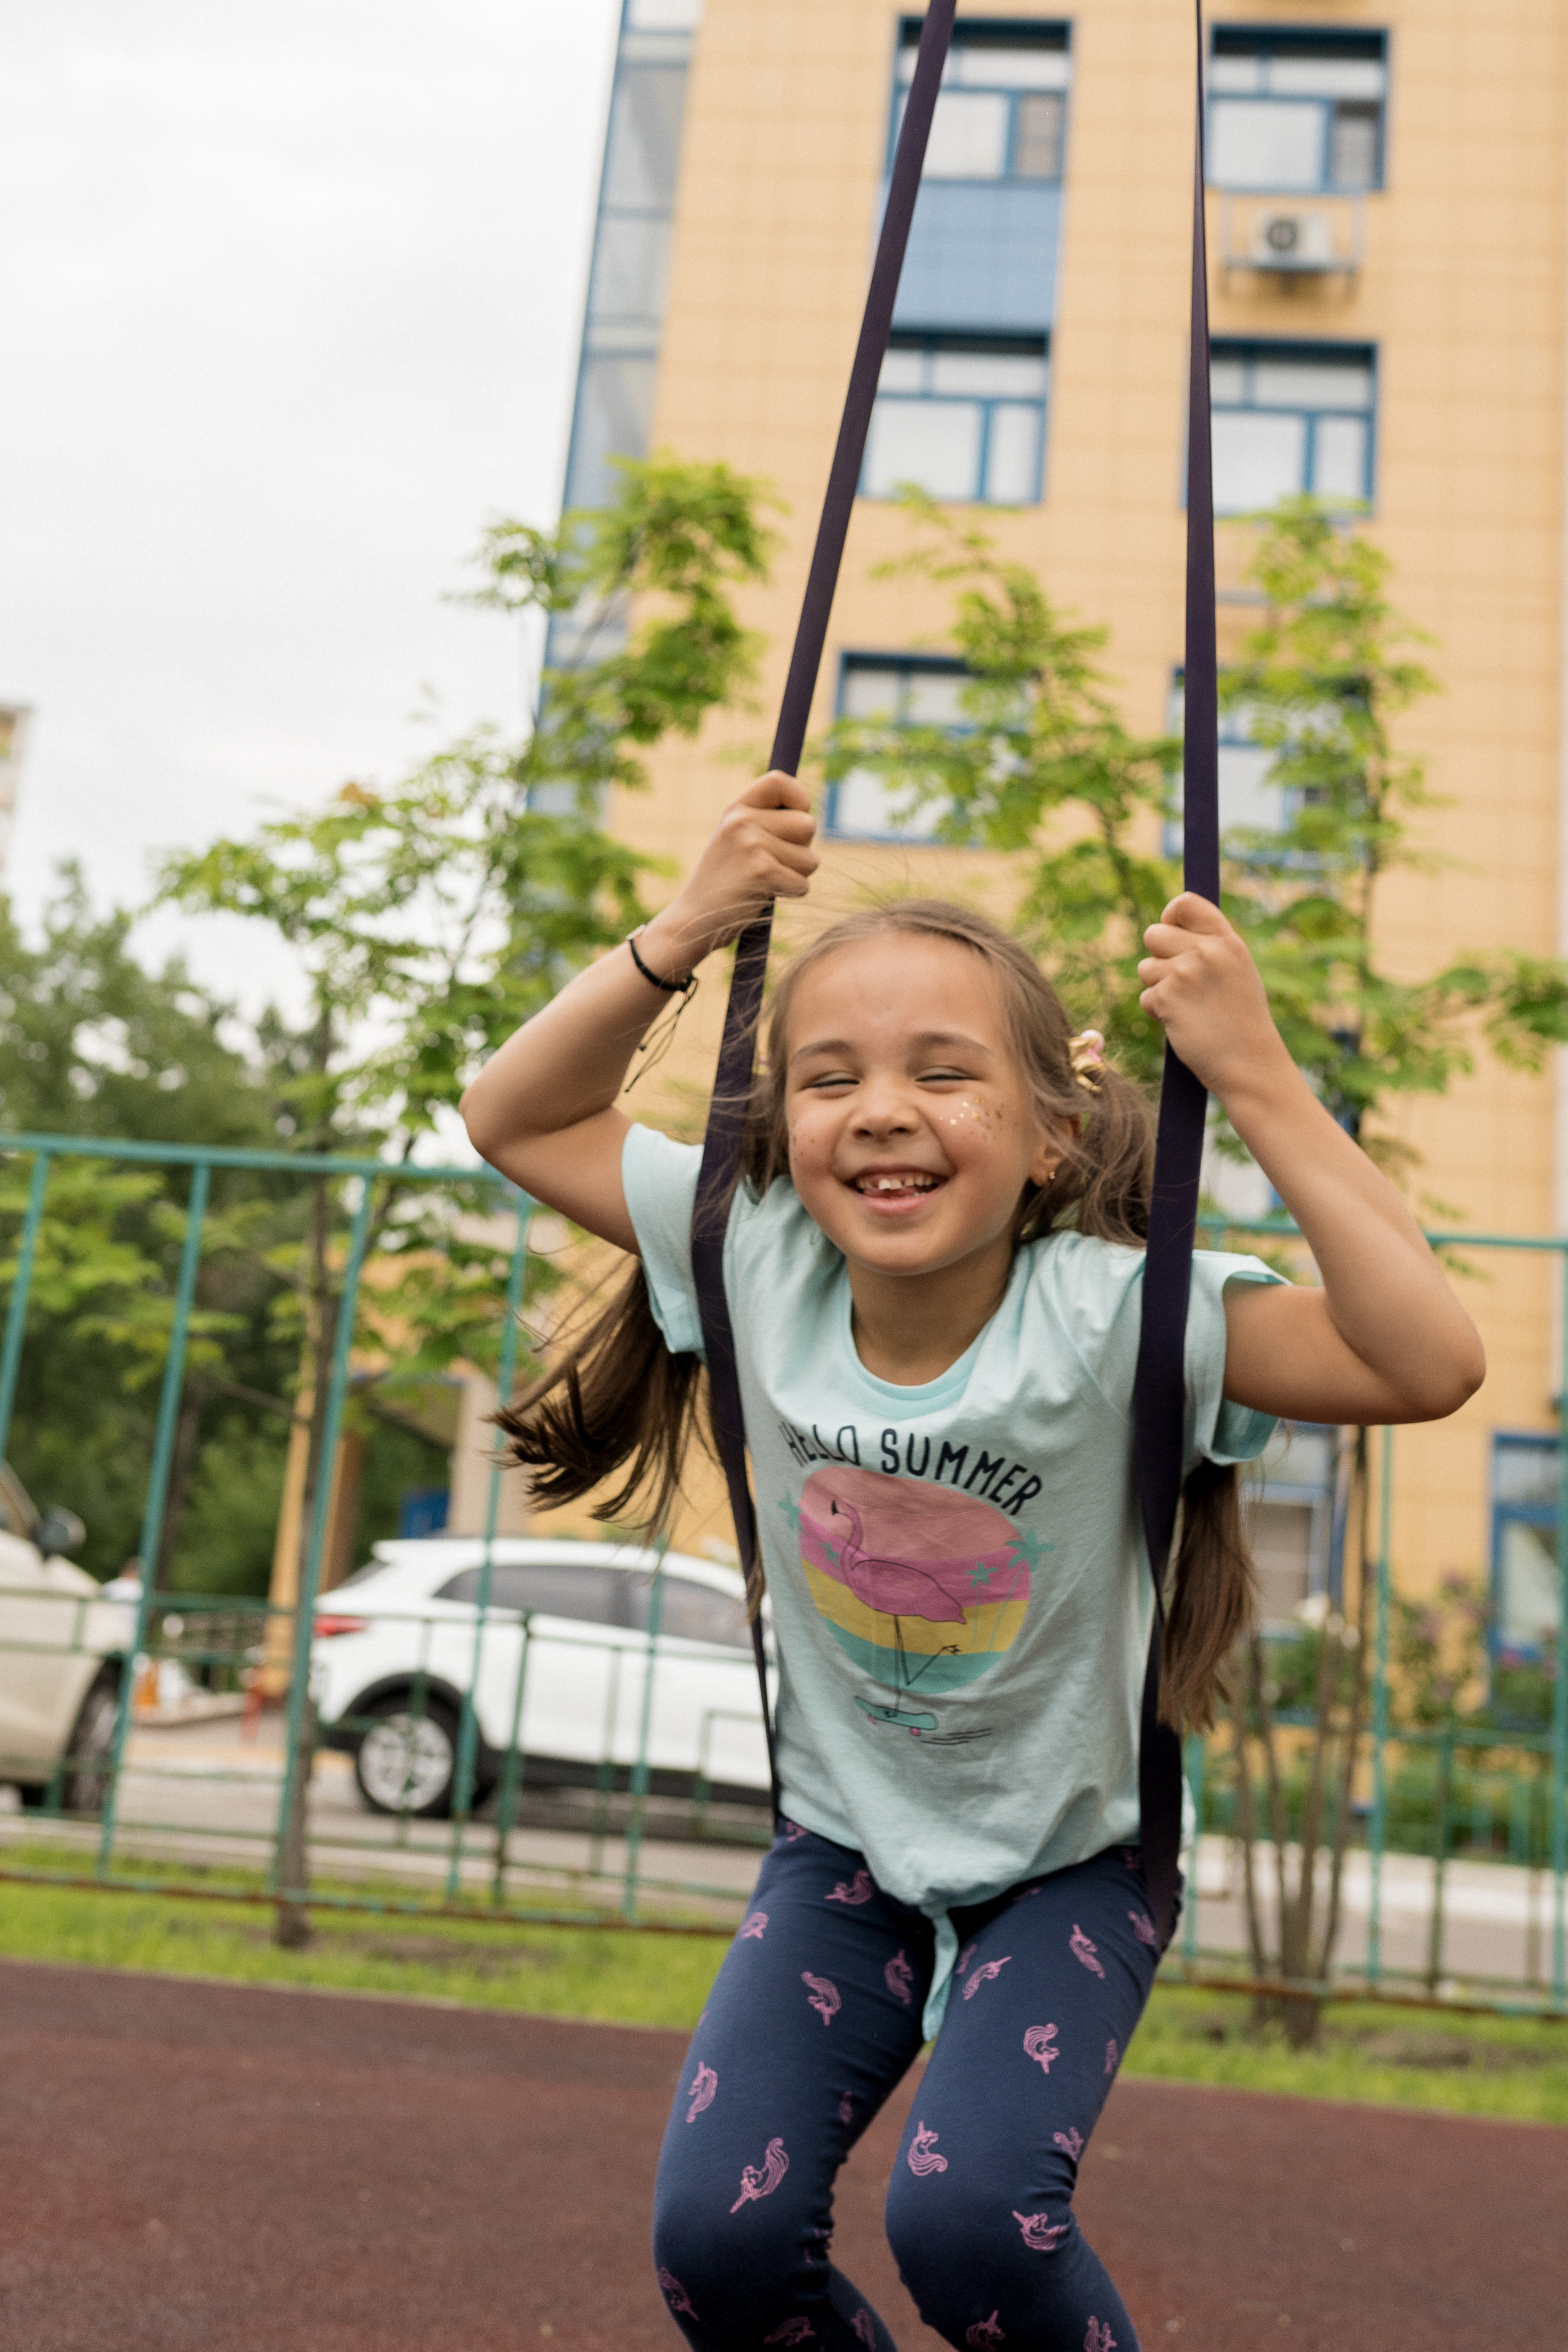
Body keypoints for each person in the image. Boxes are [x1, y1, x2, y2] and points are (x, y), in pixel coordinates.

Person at [461, 772, 1483, 2352]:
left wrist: (1259, 1077)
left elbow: (1428, 1362)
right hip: (844, 1847)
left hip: (1075, 1851)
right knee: (716, 2246)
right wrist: (684, 930)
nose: (881, 1108)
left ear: (1049, 1137)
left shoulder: (1116, 1314)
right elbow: (510, 1114)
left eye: (944, 1075)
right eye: (828, 1077)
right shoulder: (749, 1257)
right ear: (780, 1123)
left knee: (969, 2225)